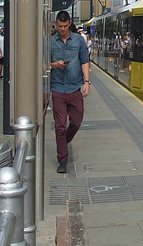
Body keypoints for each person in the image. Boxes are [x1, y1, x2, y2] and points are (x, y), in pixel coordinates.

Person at [50, 10, 90, 174]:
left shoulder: (79, 40)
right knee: (60, 126)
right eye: (59, 26)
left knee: (76, 122)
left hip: (75, 87)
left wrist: (87, 82)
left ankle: (62, 142)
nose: (62, 29)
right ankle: (62, 159)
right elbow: (42, 61)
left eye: (65, 26)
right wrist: (54, 65)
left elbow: (84, 61)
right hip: (58, 87)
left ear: (70, 25)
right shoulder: (51, 42)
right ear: (55, 24)